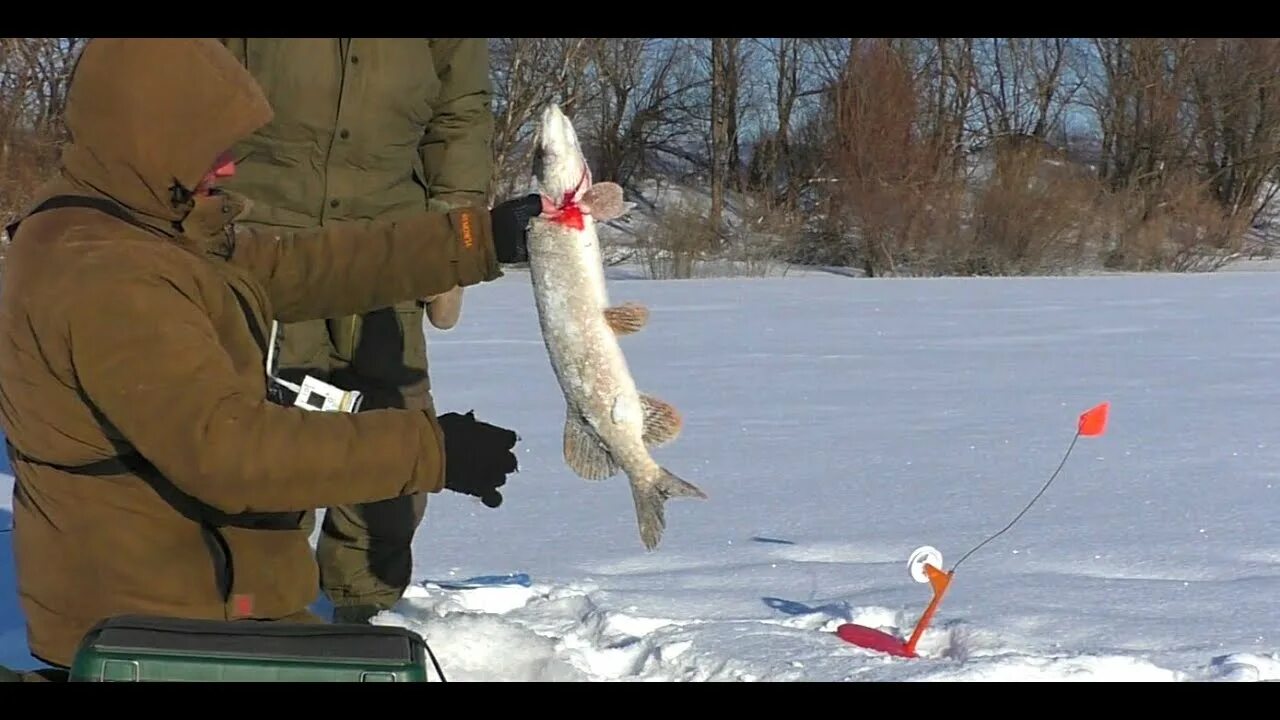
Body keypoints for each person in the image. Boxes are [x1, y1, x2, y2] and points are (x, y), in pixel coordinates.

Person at [0, 38, 531, 672]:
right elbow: (229, 451)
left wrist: (478, 240)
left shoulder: (139, 220)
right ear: (151, 134)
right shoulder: (111, 277)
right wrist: (429, 450)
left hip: (207, 605)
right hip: (164, 635)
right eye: (212, 147)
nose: (228, 168)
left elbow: (298, 266)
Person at [213, 38, 514, 625]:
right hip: (263, 240)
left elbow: (461, 111)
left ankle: (368, 609)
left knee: (392, 421)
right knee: (264, 434)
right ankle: (258, 613)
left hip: (393, 242)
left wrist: (453, 236)